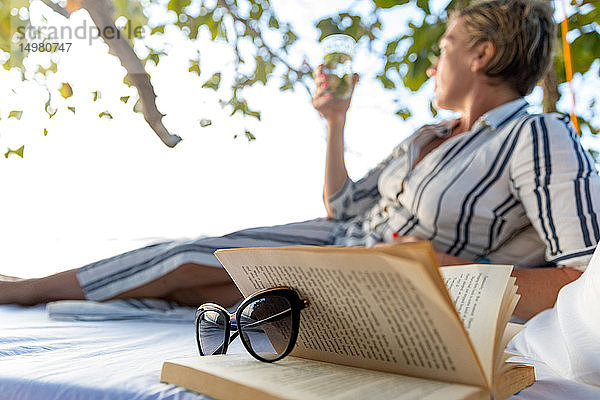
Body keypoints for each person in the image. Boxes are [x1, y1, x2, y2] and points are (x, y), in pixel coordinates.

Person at [1, 0, 598, 320]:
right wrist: (335, 124)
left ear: (482, 54)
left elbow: (583, 279)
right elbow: (342, 206)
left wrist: (440, 271)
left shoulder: (537, 136)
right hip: (339, 241)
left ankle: (22, 292)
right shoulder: (425, 136)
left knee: (194, 273)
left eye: (444, 50)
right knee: (195, 277)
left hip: (380, 281)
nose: (433, 65)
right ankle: (28, 289)